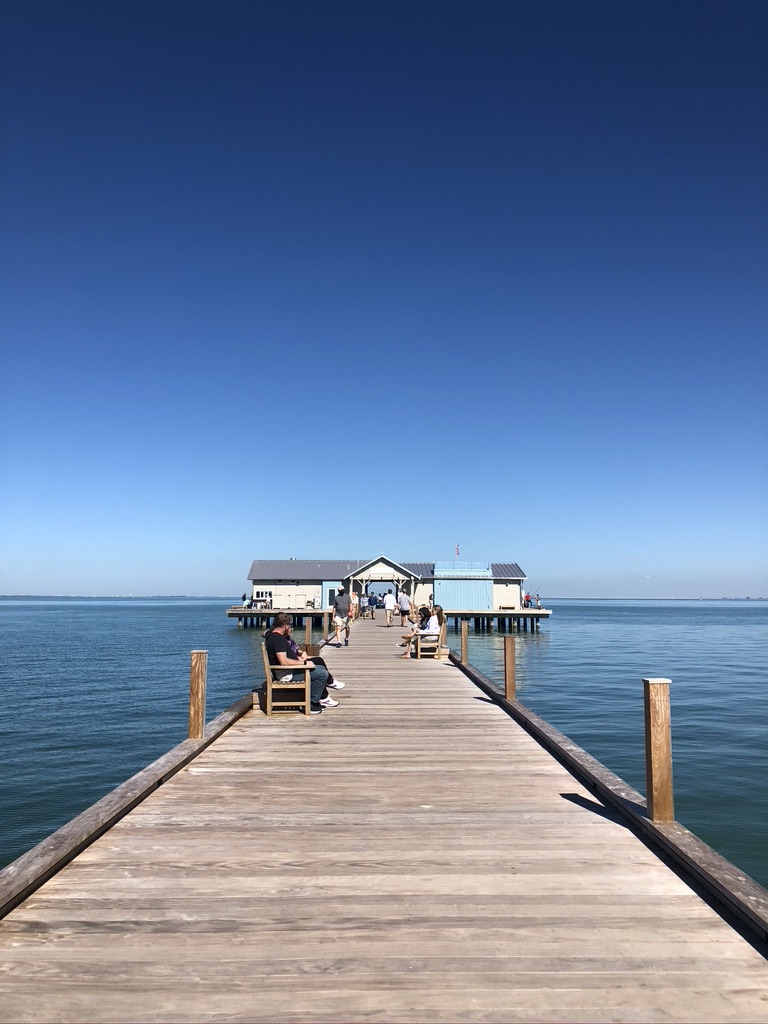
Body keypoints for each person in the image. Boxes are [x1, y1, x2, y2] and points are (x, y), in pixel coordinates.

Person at [265, 614, 341, 713]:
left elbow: (265, 633)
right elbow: (283, 662)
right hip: (287, 674)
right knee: (322, 674)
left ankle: (320, 698)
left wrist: (302, 660)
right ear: (285, 626)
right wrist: (304, 663)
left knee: (320, 667)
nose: (291, 627)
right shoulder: (278, 640)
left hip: (289, 671)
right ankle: (311, 704)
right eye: (290, 625)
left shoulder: (273, 635)